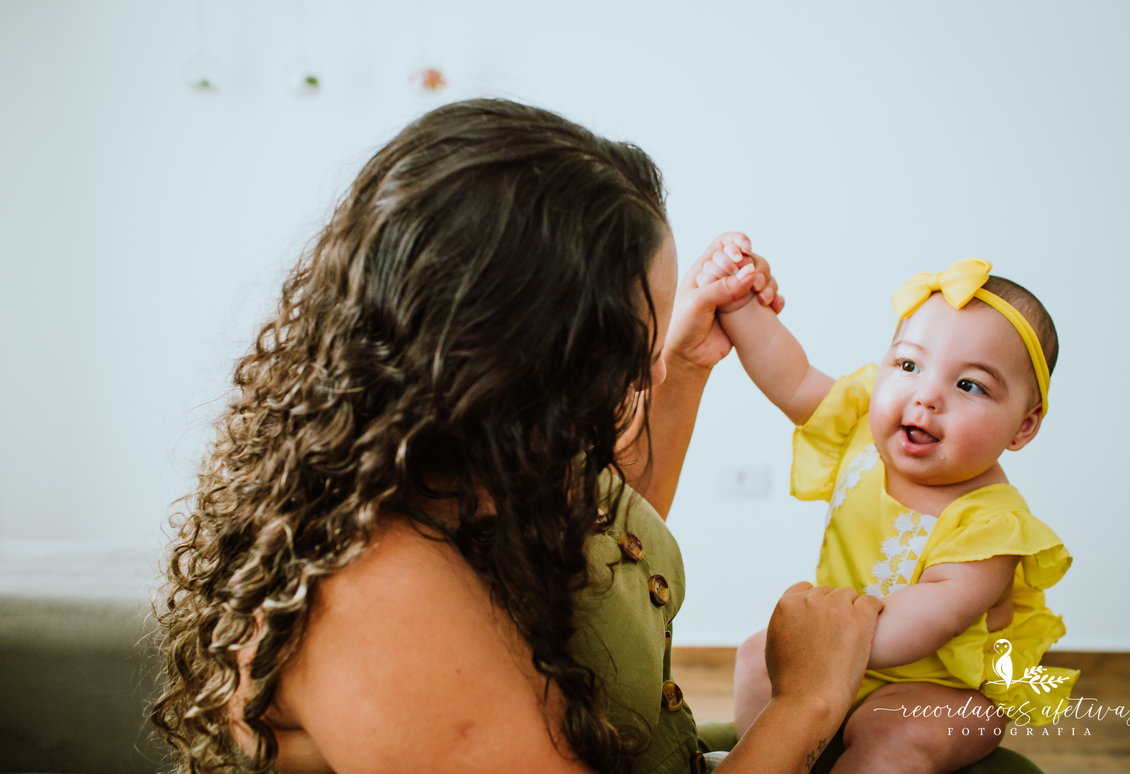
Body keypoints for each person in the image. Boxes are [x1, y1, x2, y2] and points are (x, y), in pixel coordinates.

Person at [150, 99, 885, 774]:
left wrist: (686, 365)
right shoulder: (375, 595)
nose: (647, 373)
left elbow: (604, 555)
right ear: (514, 364)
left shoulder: (471, 463)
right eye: (631, 350)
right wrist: (805, 700)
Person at [693, 247, 1078, 772]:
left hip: (940, 689)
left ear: (1023, 427)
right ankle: (773, 760)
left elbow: (928, 621)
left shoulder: (992, 526)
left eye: (969, 385)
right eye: (908, 365)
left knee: (895, 730)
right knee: (756, 657)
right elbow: (793, 377)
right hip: (834, 656)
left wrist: (818, 656)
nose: (926, 396)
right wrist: (739, 306)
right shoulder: (860, 429)